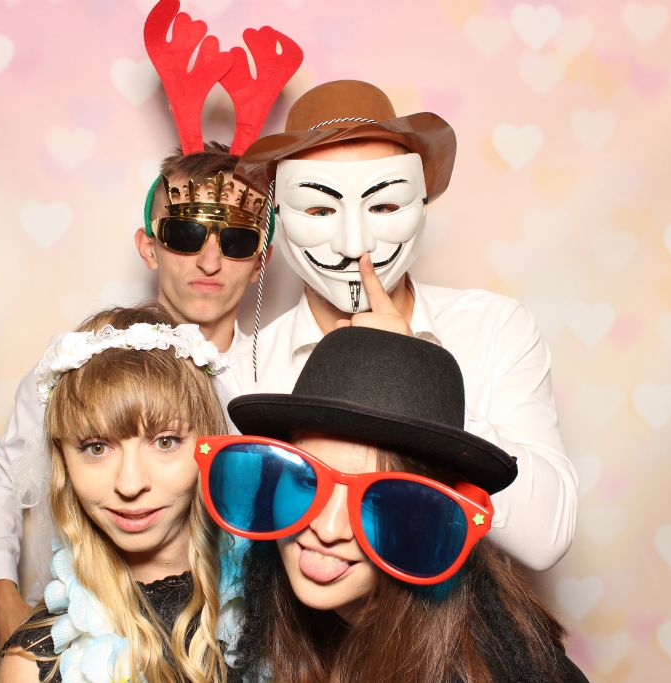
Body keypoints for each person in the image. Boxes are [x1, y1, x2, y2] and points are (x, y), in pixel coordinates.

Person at [233, 80, 578, 571]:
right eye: (320, 209)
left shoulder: (494, 329)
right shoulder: (245, 369)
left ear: (421, 205)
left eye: (383, 206)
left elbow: (547, 540)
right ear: (278, 217)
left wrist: (417, 380)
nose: (354, 244)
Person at [0, 144, 268, 647]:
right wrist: (1, 596)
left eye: (236, 241)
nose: (209, 261)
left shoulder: (280, 378)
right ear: (148, 247)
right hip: (90, 635)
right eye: (186, 235)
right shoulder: (80, 367)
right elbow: (4, 475)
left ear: (260, 261)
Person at [197, 327, 588, 682]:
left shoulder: (500, 670)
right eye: (306, 479)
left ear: (427, 520)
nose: (328, 529)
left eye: (377, 499)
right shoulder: (274, 619)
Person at [0, 304, 231, 683]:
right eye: (96, 448)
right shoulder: (32, 667)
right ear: (63, 462)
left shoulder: (280, 608)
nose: (130, 484)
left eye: (165, 441)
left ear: (208, 444)